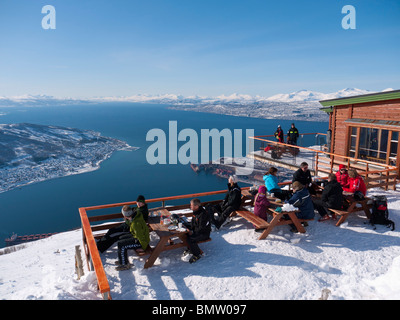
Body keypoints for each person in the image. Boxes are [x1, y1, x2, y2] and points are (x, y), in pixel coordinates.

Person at [115, 204, 150, 271]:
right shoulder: (135, 215)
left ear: (125, 215)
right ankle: (122, 260)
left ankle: (125, 264)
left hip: (141, 241)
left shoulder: (136, 224)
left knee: (122, 245)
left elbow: (141, 236)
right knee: (120, 239)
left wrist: (143, 247)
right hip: (136, 236)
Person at [183, 198, 211, 264]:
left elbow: (201, 228)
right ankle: (191, 249)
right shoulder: (196, 212)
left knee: (191, 238)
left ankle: (197, 254)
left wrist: (192, 232)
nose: (190, 207)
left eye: (191, 205)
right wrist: (188, 227)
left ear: (196, 206)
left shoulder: (203, 214)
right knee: (185, 233)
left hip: (204, 234)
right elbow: (193, 223)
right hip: (198, 231)